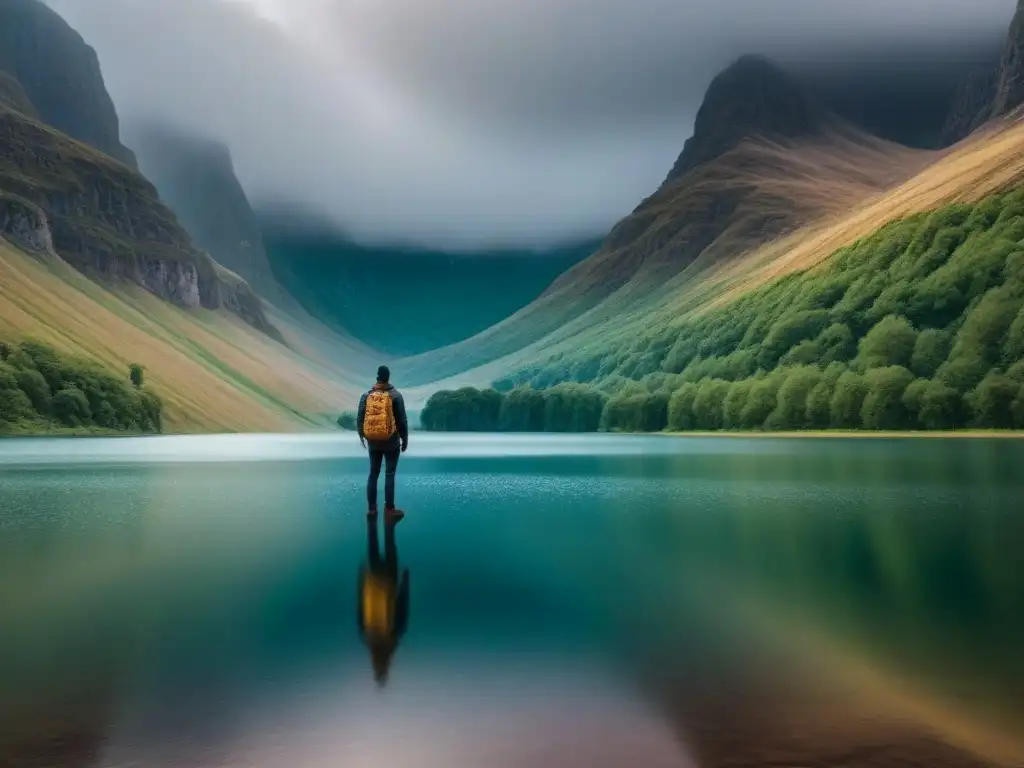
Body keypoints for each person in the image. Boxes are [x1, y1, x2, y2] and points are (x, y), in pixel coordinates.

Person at [357, 515, 409, 687]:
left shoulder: (390, 638)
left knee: (389, 545)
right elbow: (360, 606)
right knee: (374, 547)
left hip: (387, 583)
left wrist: (405, 583)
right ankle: (373, 519)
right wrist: (361, 580)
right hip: (374, 583)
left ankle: (386, 522)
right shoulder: (368, 636)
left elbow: (401, 609)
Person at [357, 365, 409, 520]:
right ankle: (389, 510)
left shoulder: (366, 396)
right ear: (388, 378)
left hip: (373, 441)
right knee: (389, 474)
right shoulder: (396, 395)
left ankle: (372, 509)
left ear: (377, 377)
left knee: (373, 474)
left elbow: (360, 418)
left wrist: (362, 436)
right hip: (391, 441)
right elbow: (402, 421)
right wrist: (405, 439)